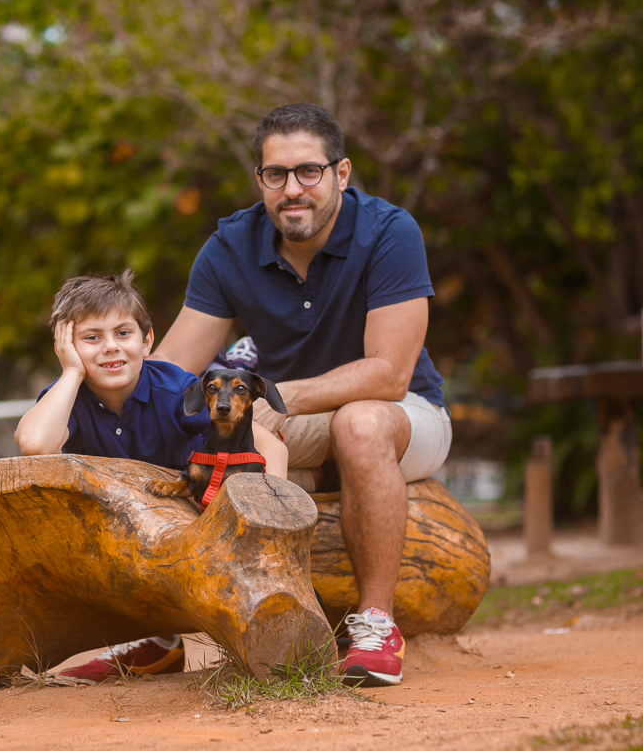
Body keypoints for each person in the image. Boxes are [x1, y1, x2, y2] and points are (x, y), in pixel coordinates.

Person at [150, 103, 452, 687]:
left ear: (341, 173)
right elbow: (168, 372)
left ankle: (375, 623)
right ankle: (160, 636)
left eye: (308, 172)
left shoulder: (389, 232)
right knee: (198, 436)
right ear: (259, 179)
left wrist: (279, 395)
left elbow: (390, 374)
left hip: (404, 415)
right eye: (275, 174)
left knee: (359, 424)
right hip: (295, 427)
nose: (293, 189)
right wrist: (88, 391)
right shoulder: (231, 246)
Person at [14, 270, 288, 684]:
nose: (110, 348)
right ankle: (154, 643)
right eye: (91, 338)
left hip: (196, 518)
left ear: (146, 341)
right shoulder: (67, 395)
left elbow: (273, 448)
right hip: (123, 531)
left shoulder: (176, 390)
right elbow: (34, 443)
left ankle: (261, 635)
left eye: (123, 333)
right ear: (67, 347)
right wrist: (71, 373)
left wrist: (270, 531)